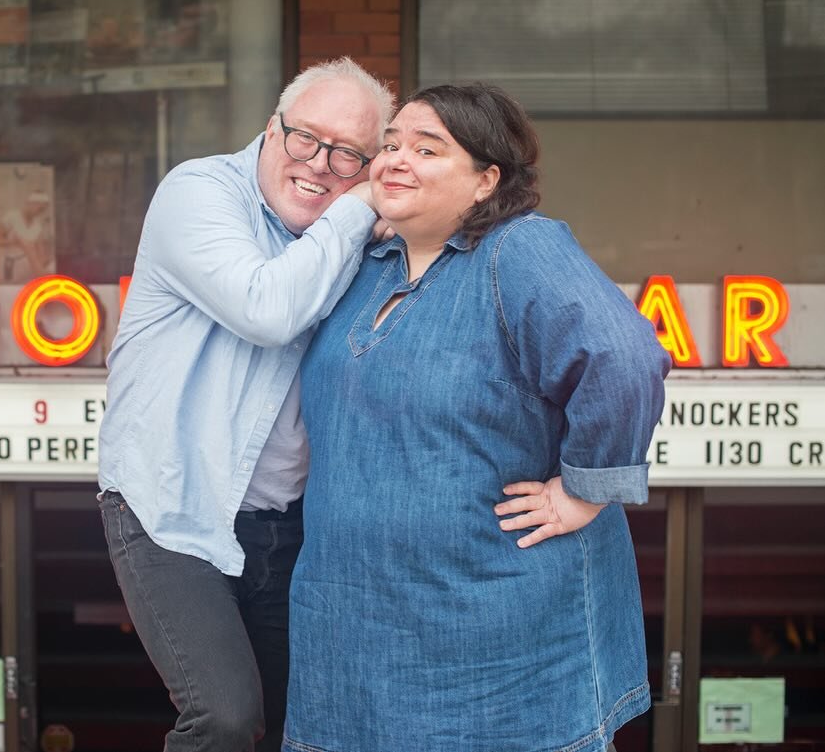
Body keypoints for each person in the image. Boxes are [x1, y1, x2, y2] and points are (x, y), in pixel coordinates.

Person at [282, 83, 671, 752]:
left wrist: (585, 490)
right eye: (392, 143)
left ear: (485, 179)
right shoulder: (367, 262)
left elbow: (622, 357)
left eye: (426, 149)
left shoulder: (518, 251)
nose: (396, 160)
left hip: (495, 636)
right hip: (351, 634)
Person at [97, 58, 395, 752]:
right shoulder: (198, 192)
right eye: (304, 139)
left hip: (284, 525)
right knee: (225, 715)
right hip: (168, 504)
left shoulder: (351, 237)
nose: (319, 165)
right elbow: (266, 309)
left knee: (310, 721)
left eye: (347, 154)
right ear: (270, 130)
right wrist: (358, 205)